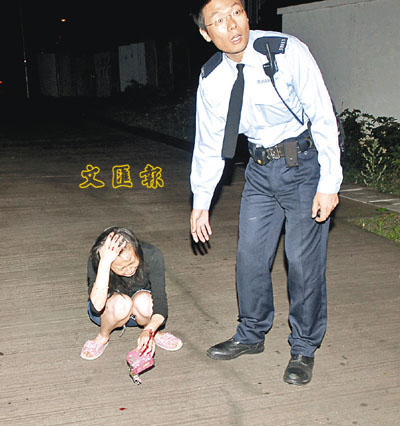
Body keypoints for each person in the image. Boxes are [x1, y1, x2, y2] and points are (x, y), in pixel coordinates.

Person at [189, 0, 342, 385]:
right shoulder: (212, 78)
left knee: (302, 262)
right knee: (250, 258)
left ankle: (303, 347)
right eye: (219, 20)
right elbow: (208, 144)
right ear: (206, 33)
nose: (232, 25)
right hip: (258, 171)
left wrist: (329, 183)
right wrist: (201, 201)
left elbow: (322, 115)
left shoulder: (285, 51)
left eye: (236, 12)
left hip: (302, 165)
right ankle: (251, 333)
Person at [80, 226, 182, 360]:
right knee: (121, 303)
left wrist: (149, 331)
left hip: (142, 311)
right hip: (108, 313)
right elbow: (96, 308)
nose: (129, 270)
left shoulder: (152, 254)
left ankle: (155, 333)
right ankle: (102, 337)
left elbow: (160, 301)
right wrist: (104, 263)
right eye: (121, 268)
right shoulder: (98, 260)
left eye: (132, 262)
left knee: (144, 301)